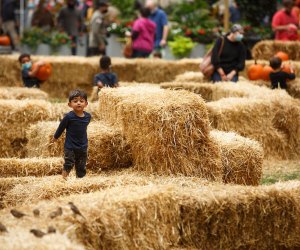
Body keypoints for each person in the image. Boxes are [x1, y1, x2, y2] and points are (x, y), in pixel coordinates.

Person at [52, 89, 91, 179]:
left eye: (81, 101)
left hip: (83, 146)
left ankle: (80, 181)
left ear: (86, 104)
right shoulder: (69, 117)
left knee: (81, 165)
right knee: (69, 163)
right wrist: (55, 137)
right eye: (75, 101)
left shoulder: (88, 116)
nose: (78, 103)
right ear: (70, 104)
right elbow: (61, 127)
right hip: (70, 146)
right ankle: (63, 179)